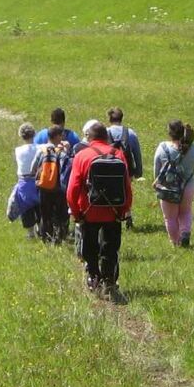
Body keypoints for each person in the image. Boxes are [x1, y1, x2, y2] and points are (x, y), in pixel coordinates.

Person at [66, 120, 132, 299]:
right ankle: (109, 280)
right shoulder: (118, 154)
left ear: (89, 137)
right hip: (113, 211)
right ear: (107, 137)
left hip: (88, 211)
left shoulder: (82, 155)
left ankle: (93, 277)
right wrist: (124, 210)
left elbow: (72, 189)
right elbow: (126, 186)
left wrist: (76, 212)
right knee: (110, 248)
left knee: (90, 247)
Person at [154, 119, 194, 248]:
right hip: (188, 185)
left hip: (168, 187)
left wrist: (158, 183)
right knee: (186, 211)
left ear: (170, 133)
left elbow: (157, 167)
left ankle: (175, 242)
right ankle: (185, 233)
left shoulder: (163, 148)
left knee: (170, 217)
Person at [106, 107, 143, 229]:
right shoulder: (130, 133)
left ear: (109, 118)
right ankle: (128, 214)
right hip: (126, 169)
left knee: (109, 192)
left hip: (108, 168)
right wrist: (138, 171)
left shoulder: (105, 132)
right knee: (126, 192)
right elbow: (137, 153)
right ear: (121, 118)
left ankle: (111, 215)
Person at [35, 124, 71, 244]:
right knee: (61, 214)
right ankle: (61, 236)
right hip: (58, 188)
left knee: (45, 214)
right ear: (57, 136)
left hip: (44, 187)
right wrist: (67, 150)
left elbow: (33, 168)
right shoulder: (61, 152)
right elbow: (67, 168)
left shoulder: (42, 151)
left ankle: (46, 238)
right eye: (61, 135)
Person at [6, 123, 42, 239]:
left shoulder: (18, 150)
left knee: (26, 208)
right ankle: (40, 228)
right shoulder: (40, 148)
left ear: (21, 136)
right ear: (34, 134)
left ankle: (30, 232)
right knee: (39, 205)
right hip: (37, 180)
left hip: (24, 182)